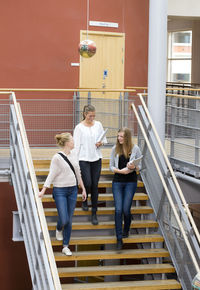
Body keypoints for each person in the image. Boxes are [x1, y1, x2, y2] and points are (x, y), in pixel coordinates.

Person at [39, 132, 86, 256]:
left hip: (73, 190)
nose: (74, 142)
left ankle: (66, 246)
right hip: (60, 190)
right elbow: (51, 174)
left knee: (69, 220)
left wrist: (83, 188)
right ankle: (59, 228)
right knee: (64, 218)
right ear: (66, 143)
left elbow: (78, 173)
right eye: (72, 140)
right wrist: (43, 190)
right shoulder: (57, 158)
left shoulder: (74, 155)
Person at [73, 104, 107, 225]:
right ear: (84, 114)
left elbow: (104, 139)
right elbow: (76, 146)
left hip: (96, 158)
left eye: (94, 115)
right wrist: (74, 161)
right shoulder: (79, 128)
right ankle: (84, 199)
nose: (92, 118)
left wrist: (100, 143)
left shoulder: (98, 125)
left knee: (94, 185)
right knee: (87, 182)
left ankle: (94, 212)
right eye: (90, 116)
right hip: (83, 158)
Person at [109, 127, 142, 251]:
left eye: (122, 136)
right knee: (118, 210)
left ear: (127, 137)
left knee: (126, 210)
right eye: (118, 136)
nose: (119, 138)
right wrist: (120, 171)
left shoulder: (135, 148)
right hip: (117, 181)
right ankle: (119, 238)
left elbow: (141, 166)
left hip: (131, 182)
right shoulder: (114, 149)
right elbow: (111, 166)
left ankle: (126, 230)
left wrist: (133, 167)